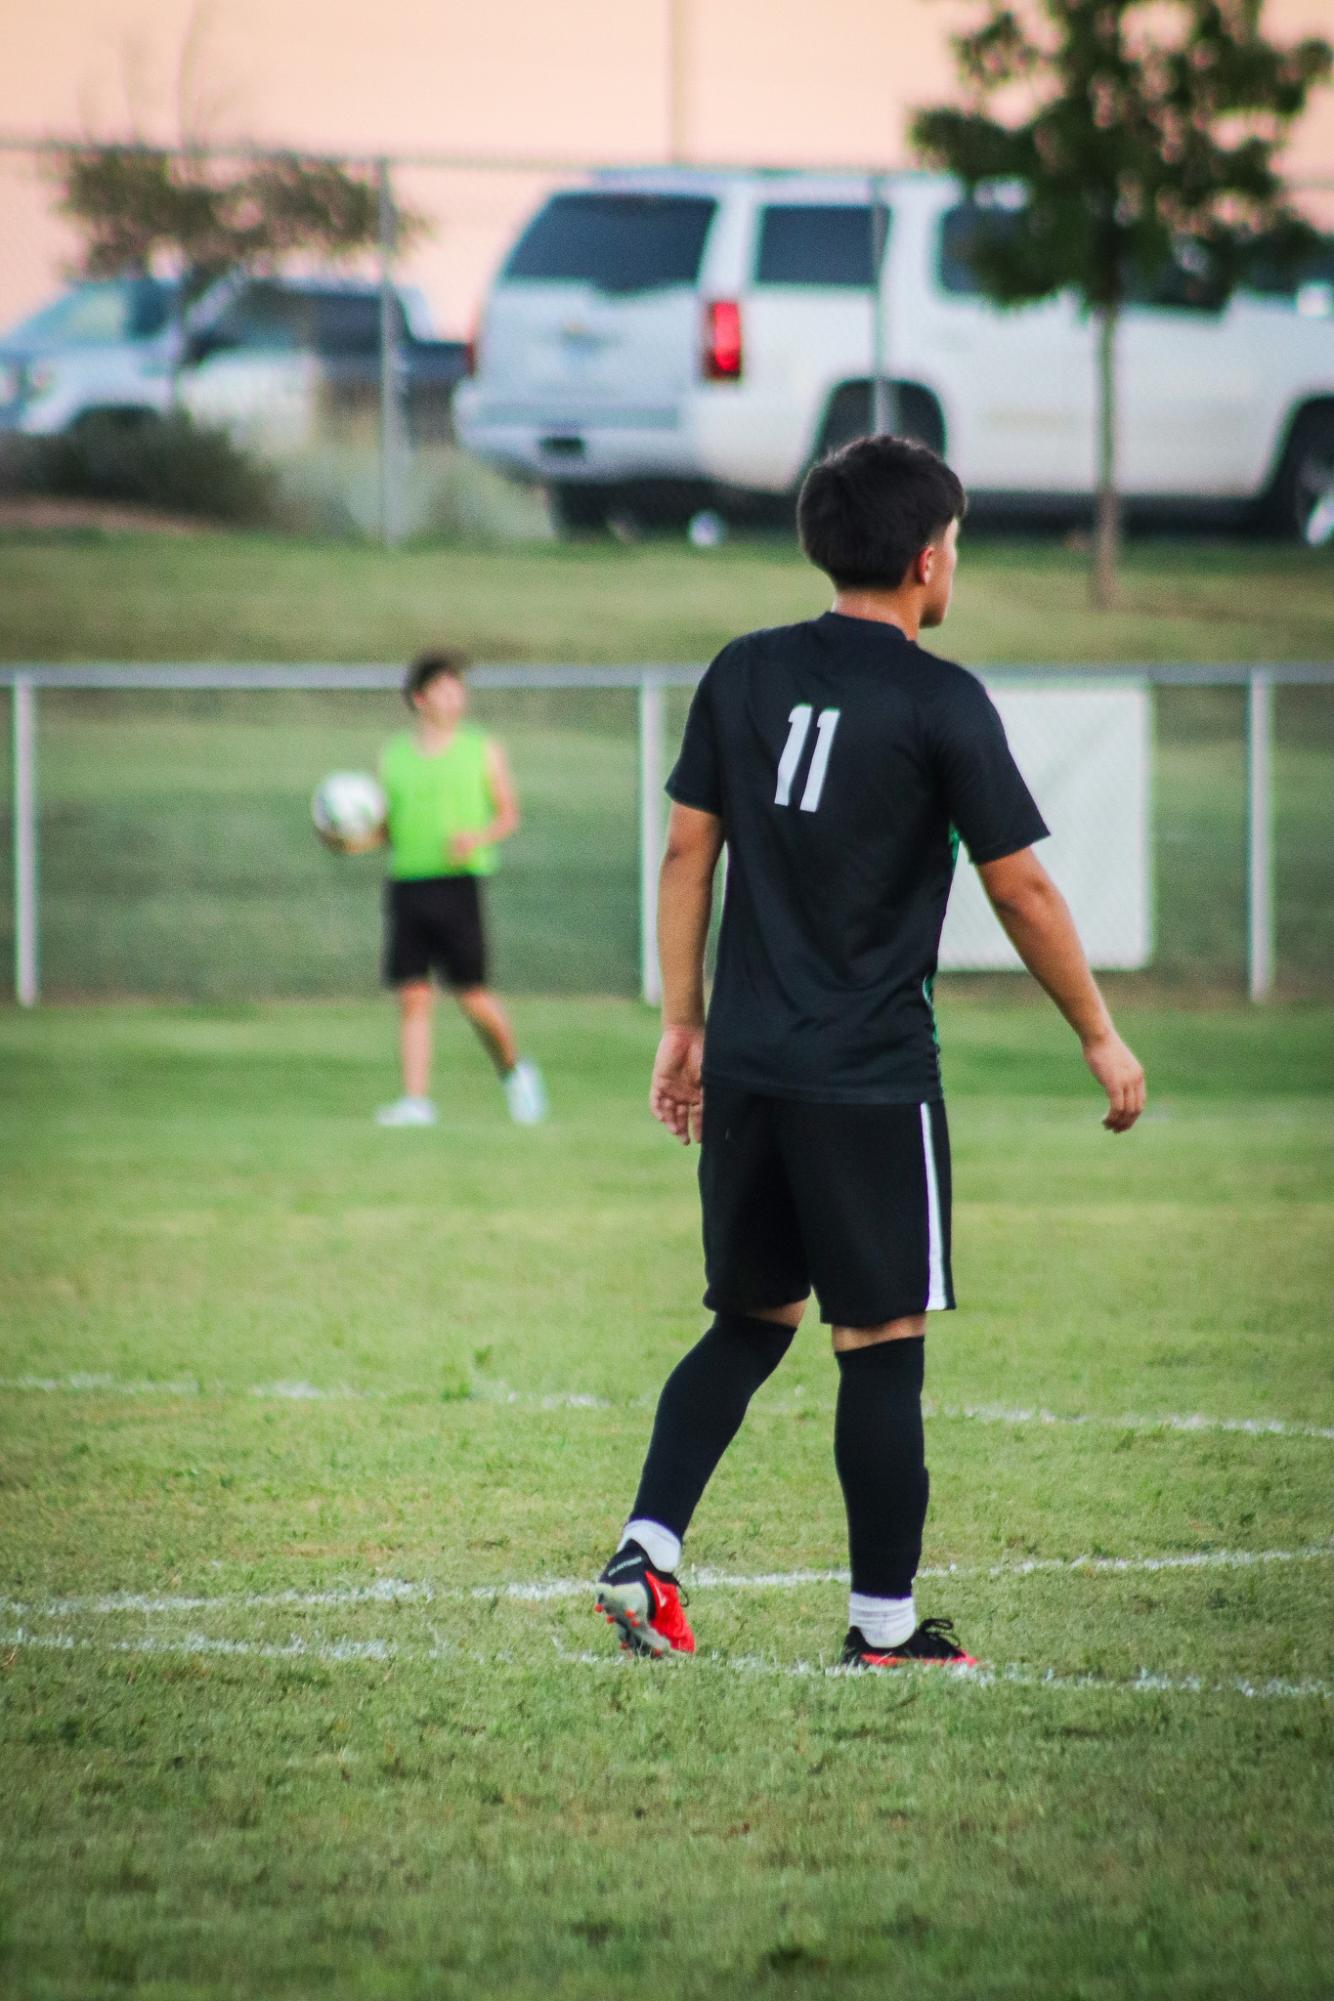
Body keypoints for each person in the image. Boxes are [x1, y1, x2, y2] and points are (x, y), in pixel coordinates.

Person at [595, 435, 1145, 1668]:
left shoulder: (741, 672)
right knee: (879, 1347)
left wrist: (681, 1025)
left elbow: (689, 855)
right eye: (954, 544)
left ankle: (648, 1547)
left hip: (744, 1064)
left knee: (747, 1320)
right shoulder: (936, 697)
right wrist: (1099, 1035)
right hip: (867, 1076)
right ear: (925, 557)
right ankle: (883, 1631)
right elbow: (1023, 893)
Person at [374, 650, 546, 1128]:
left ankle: (515, 1072)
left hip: (458, 886)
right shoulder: (395, 756)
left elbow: (508, 814)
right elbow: (388, 825)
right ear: (419, 698)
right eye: (445, 688)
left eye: (459, 688)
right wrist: (353, 839)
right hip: (407, 884)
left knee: (471, 994)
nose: (456, 697)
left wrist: (477, 836)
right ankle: (415, 1100)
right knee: (413, 995)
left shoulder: (480, 747)